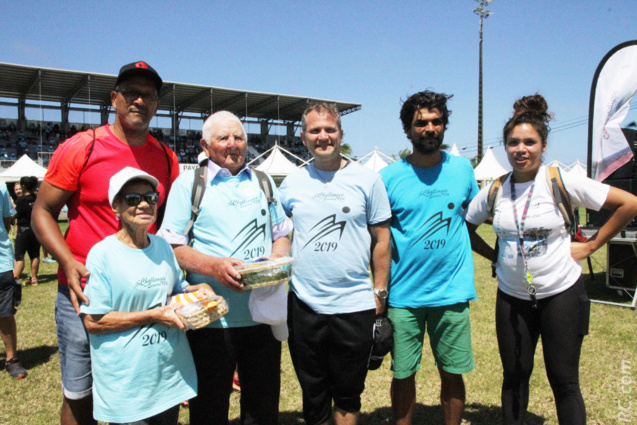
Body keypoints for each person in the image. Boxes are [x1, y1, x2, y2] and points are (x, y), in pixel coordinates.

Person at [465, 94, 637, 425]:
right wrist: (495, 256)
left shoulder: (560, 180)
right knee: (514, 377)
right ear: (505, 147)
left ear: (543, 146)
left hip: (561, 294)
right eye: (513, 142)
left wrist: (590, 247)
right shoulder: (496, 189)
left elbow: (628, 203)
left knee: (564, 382)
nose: (521, 149)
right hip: (512, 298)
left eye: (529, 142)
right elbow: (467, 227)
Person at [32, 61, 179, 425]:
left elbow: (171, 226)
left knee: (143, 390)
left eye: (149, 95)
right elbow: (42, 212)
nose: (139, 101)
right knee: (81, 394)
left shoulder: (165, 157)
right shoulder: (82, 147)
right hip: (84, 293)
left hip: (144, 295)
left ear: (157, 104)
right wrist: (67, 262)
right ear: (114, 98)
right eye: (131, 92)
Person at [158, 110, 292, 425]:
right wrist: (215, 266)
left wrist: (275, 260)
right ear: (205, 145)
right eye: (223, 138)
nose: (232, 144)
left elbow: (282, 234)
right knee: (209, 408)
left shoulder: (263, 180)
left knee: (262, 408)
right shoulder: (188, 184)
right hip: (211, 319)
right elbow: (173, 247)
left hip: (262, 317)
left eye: (239, 137)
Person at [278, 102, 391, 425]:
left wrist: (380, 293)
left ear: (341, 134)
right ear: (303, 137)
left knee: (347, 395)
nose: (323, 136)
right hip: (304, 306)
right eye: (315, 130)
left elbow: (382, 240)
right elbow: (279, 234)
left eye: (330, 129)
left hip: (353, 306)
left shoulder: (367, 181)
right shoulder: (291, 184)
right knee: (313, 397)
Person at [80, 167, 211, 424]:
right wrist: (153, 315)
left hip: (167, 374)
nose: (144, 204)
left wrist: (198, 291)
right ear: (115, 207)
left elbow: (176, 290)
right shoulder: (102, 254)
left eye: (150, 197)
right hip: (128, 382)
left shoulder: (162, 245)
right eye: (133, 199)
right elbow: (94, 322)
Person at [379, 90, 479, 425]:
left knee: (452, 372)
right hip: (404, 295)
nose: (430, 128)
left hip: (450, 293)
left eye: (437, 122)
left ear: (444, 127)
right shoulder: (389, 177)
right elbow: (376, 238)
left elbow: (476, 219)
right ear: (408, 130)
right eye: (421, 123)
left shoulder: (463, 170)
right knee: (403, 374)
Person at [0, 184, 27, 379]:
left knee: (5, 312)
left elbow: (7, 221)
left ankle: (11, 359)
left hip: (0, 262)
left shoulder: (0, 186)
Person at [13, 176, 40, 286]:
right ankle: (34, 279)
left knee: (19, 255)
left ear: (23, 186)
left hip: (23, 230)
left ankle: (14, 279)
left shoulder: (21, 201)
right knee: (34, 254)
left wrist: (12, 205)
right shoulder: (37, 198)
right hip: (35, 230)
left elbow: (14, 215)